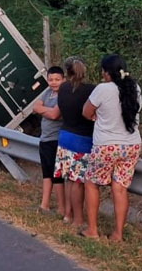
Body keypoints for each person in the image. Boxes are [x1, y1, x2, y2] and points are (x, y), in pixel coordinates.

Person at [81, 54, 142, 242]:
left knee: (92, 182)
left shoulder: (103, 89)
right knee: (120, 187)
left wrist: (96, 117)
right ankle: (118, 234)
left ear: (106, 73)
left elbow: (86, 112)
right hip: (131, 145)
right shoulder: (135, 88)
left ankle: (92, 230)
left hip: (106, 145)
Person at [52, 57, 96, 230]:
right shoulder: (91, 90)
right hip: (82, 138)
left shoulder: (62, 88)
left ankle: (68, 214)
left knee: (70, 179)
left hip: (65, 135)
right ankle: (78, 219)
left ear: (67, 72)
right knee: (78, 181)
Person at [33, 66, 66, 216]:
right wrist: (47, 110)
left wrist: (44, 110)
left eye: (57, 80)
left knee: (57, 175)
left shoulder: (64, 95)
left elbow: (55, 115)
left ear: (63, 80)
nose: (54, 82)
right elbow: (36, 107)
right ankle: (44, 205)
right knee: (46, 173)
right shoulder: (47, 93)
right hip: (44, 139)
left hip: (56, 139)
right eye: (51, 79)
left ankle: (62, 208)